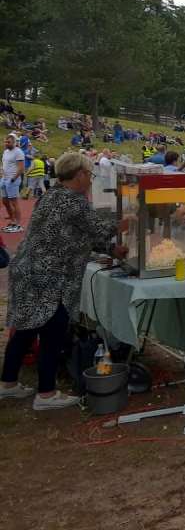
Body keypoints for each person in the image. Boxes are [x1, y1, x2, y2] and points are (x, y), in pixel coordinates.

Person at [1, 152, 128, 410]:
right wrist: (126, 223)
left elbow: (75, 234)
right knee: (53, 331)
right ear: (80, 175)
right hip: (48, 277)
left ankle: (8, 383)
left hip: (27, 269)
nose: (90, 180)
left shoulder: (51, 195)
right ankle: (46, 394)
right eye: (90, 175)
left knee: (25, 330)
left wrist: (110, 250)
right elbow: (99, 229)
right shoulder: (74, 201)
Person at [2, 134, 25, 233]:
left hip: (12, 180)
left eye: (8, 142)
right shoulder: (5, 152)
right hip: (4, 179)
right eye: (5, 142)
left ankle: (18, 224)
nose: (6, 143)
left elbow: (21, 168)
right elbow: (4, 164)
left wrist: (13, 179)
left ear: (14, 143)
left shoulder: (18, 152)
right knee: (5, 201)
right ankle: (12, 221)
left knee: (14, 202)